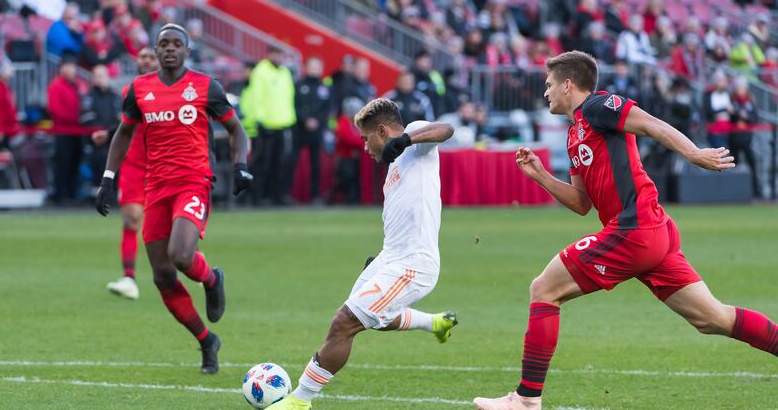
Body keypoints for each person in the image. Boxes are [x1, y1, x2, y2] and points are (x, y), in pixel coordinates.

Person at [473, 51, 778, 410]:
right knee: (712, 318)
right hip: (649, 233)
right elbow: (581, 203)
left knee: (544, 289)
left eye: (549, 84)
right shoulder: (574, 133)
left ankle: (526, 399)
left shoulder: (599, 106)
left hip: (635, 228)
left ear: (568, 85)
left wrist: (695, 153)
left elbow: (652, 124)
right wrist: (541, 176)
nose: (546, 92)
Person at [267, 98, 457, 410]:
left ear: (382, 131)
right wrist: (380, 264)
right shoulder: (396, 165)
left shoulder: (415, 138)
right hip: (391, 258)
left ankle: (299, 402)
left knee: (344, 322)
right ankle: (435, 322)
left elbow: (446, 129)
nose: (365, 147)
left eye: (366, 139)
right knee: (374, 318)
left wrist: (405, 140)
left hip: (414, 264)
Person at [95, 24, 253, 374]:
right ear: (156, 49)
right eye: (163, 43)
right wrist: (107, 178)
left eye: (176, 44)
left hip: (193, 181)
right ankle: (207, 341)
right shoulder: (139, 89)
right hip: (156, 186)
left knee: (181, 255)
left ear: (187, 50)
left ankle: (211, 279)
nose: (169, 49)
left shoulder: (206, 86)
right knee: (163, 275)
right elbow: (123, 133)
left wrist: (240, 166)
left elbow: (236, 130)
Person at [104, 48, 158, 300]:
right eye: (142, 56)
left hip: (163, 165)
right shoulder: (130, 91)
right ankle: (129, 278)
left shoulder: (173, 91)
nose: (145, 60)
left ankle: (196, 265)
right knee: (131, 219)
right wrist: (108, 134)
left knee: (172, 225)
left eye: (151, 57)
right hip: (134, 165)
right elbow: (127, 124)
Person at [246, 46, 296, 205]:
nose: (279, 58)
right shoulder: (261, 71)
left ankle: (277, 195)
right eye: (276, 55)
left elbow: (288, 97)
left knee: (280, 163)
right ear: (269, 55)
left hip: (283, 123)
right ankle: (258, 196)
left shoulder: (285, 72)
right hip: (266, 125)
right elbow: (256, 97)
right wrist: (260, 120)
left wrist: (289, 119)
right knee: (262, 163)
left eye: (281, 55)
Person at [295, 56, 331, 203]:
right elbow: (295, 105)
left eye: (317, 66)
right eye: (312, 66)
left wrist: (317, 121)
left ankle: (315, 195)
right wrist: (305, 120)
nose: (315, 69)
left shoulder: (324, 87)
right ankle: (286, 194)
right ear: (306, 67)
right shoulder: (298, 85)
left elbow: (327, 108)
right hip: (299, 130)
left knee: (316, 165)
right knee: (292, 162)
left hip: (317, 131)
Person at [49, 58, 85, 204]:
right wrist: (75, 119)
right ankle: (62, 195)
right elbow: (55, 109)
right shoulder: (56, 86)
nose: (71, 70)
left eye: (72, 67)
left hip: (77, 131)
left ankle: (72, 193)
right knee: (63, 162)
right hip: (63, 130)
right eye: (68, 66)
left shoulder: (77, 84)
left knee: (75, 162)